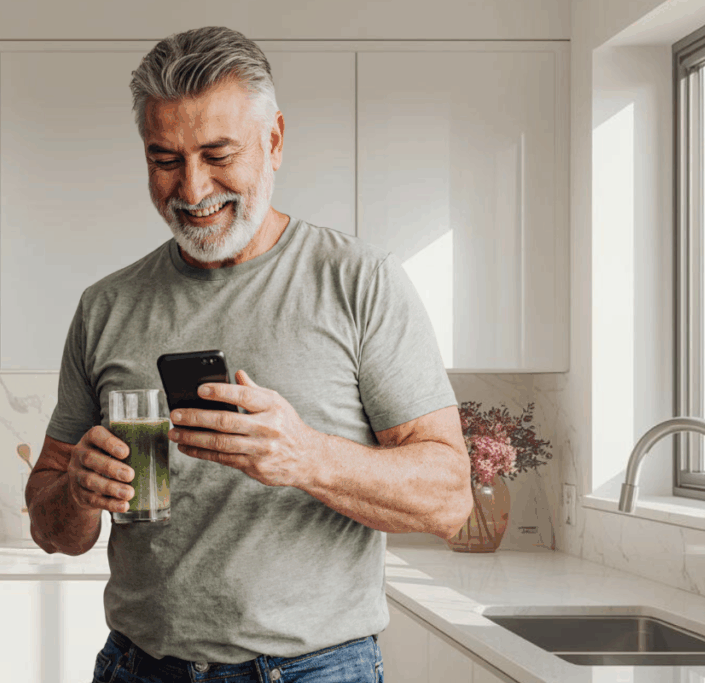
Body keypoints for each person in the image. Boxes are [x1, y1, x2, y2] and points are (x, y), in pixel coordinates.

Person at [25, 25, 473, 683]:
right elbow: (51, 523)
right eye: (165, 158)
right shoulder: (106, 306)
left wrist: (305, 454)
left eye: (217, 153)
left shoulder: (360, 281)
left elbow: (449, 497)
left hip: (315, 669)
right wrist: (75, 490)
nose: (193, 189)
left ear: (275, 140)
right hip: (137, 665)